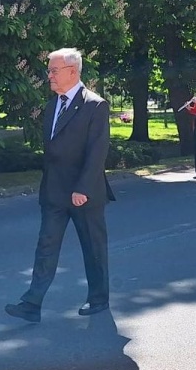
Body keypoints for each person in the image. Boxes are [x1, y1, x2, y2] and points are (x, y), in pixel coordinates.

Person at [6, 47, 116, 323]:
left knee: (93, 248)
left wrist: (83, 188)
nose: (49, 76)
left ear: (72, 71)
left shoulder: (95, 105)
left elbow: (97, 152)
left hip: (84, 192)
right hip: (54, 191)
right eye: (49, 70)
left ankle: (99, 298)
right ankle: (32, 303)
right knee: (46, 246)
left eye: (54, 71)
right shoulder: (52, 104)